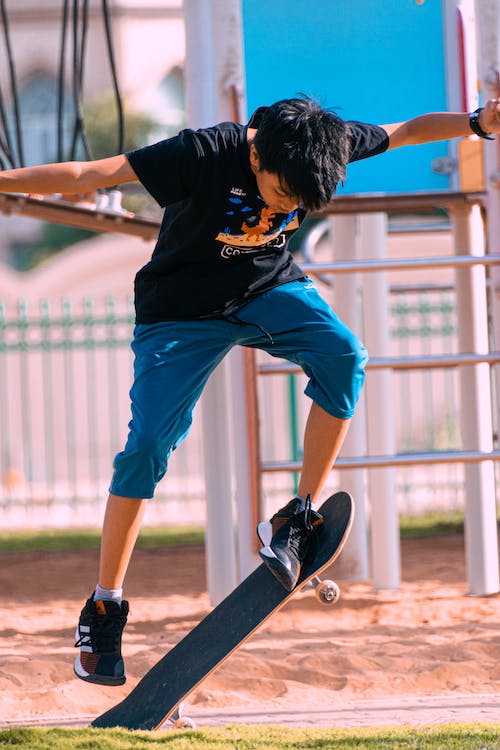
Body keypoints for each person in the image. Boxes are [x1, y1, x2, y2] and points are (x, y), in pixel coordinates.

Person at [0, 95, 498, 686]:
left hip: (266, 289)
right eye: (281, 195)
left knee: (345, 357)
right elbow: (92, 174)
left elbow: (410, 124)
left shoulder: (324, 143)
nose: (285, 208)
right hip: (179, 313)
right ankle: (105, 605)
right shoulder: (204, 151)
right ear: (256, 152)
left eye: (296, 205)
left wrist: (476, 125)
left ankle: (298, 514)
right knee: (147, 448)